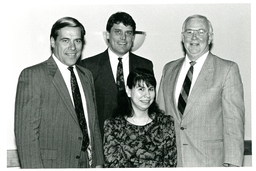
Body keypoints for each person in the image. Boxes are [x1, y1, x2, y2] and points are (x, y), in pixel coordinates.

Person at [14, 17, 104, 168]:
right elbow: (26, 136)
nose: (73, 47)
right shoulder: (33, 76)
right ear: (52, 42)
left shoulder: (86, 76)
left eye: (77, 41)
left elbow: (93, 123)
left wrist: (99, 162)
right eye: (65, 40)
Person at [157, 14, 245, 167]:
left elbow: (234, 124)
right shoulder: (169, 69)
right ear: (183, 37)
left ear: (210, 37)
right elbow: (160, 117)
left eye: (201, 32)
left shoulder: (227, 70)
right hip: (171, 162)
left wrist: (232, 164)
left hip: (210, 162)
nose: (194, 37)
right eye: (189, 32)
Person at [79, 11, 154, 136]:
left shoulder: (145, 65)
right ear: (108, 35)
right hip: (101, 141)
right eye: (118, 32)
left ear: (133, 37)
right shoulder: (88, 66)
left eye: (128, 33)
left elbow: (150, 106)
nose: (123, 38)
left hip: (138, 142)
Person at [103, 68, 177, 167]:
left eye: (150, 89)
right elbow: (113, 165)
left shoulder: (165, 123)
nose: (147, 95)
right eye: (141, 89)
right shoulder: (113, 126)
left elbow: (170, 163)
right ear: (129, 91)